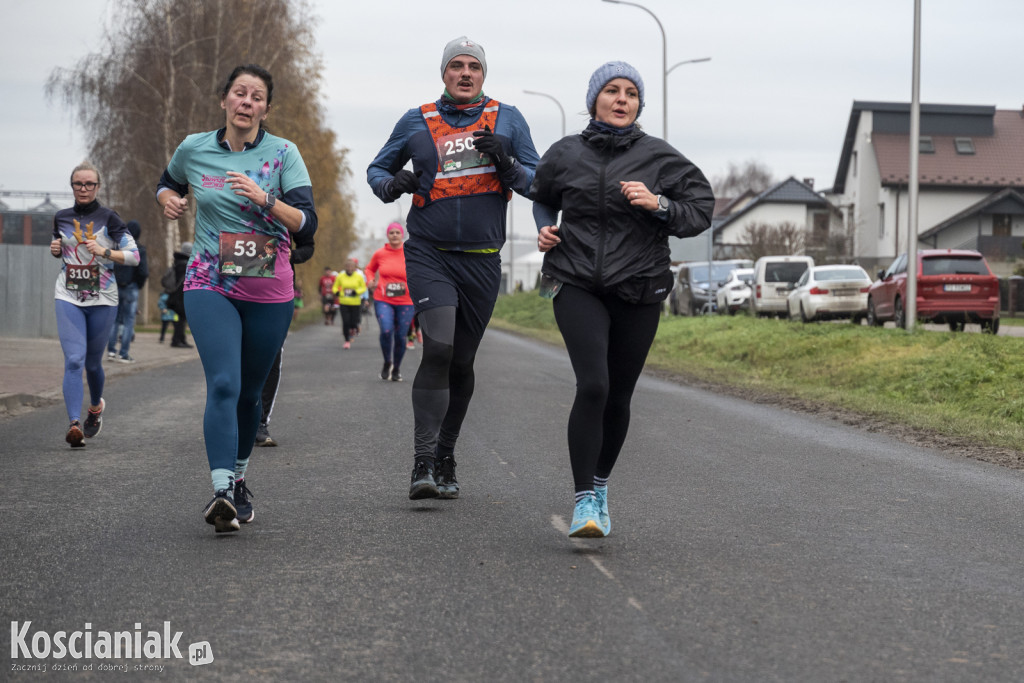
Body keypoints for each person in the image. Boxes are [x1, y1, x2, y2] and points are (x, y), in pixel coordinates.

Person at [531, 62, 714, 537]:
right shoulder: (565, 153)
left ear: (638, 105)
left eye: (631, 93)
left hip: (639, 288)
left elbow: (700, 211)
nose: (621, 99)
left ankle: (601, 483)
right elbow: (542, 195)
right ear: (594, 100)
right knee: (593, 384)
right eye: (611, 91)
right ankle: (584, 503)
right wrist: (545, 228)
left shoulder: (660, 158)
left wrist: (660, 204)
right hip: (574, 282)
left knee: (619, 394)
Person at [368, 36, 540, 500]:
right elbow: (376, 171)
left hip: (483, 260)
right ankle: (422, 462)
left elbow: (539, 181)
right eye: (456, 66)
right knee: (439, 349)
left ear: (484, 75)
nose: (465, 73)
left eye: (474, 67)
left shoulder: (508, 119)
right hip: (429, 253)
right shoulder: (416, 119)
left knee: (462, 361)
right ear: (443, 73)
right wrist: (394, 184)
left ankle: (446, 454)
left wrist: (506, 162)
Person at [156, 64, 317, 533]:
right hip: (210, 281)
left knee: (250, 395)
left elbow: (307, 223)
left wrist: (265, 200)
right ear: (225, 99)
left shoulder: (284, 154)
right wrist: (168, 199)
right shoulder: (194, 148)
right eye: (239, 93)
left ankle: (241, 478)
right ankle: (222, 489)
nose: (247, 102)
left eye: (257, 96)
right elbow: (168, 182)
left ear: (265, 108)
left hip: (269, 289)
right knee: (223, 384)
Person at [50, 161, 140, 447]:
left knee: (92, 363)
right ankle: (74, 424)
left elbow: (134, 256)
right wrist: (55, 249)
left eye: (90, 184)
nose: (84, 188)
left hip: (102, 297)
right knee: (74, 359)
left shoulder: (110, 218)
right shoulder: (61, 217)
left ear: (98, 187)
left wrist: (105, 251)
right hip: (69, 294)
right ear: (72, 186)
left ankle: (95, 408)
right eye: (79, 184)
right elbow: (62, 247)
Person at [255, 228, 315, 448]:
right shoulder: (233, 197)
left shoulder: (287, 203)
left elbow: (308, 244)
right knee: (237, 354)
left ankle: (260, 422)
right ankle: (236, 419)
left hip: (277, 289)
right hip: (234, 284)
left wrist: (293, 255)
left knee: (271, 355)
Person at [365, 222, 415, 382]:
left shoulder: (410, 253)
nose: (394, 235)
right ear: (388, 235)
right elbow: (369, 269)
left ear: (402, 235)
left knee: (401, 336)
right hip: (383, 299)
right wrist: (370, 280)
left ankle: (397, 368)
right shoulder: (380, 253)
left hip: (406, 301)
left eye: (397, 232)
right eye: (391, 232)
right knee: (386, 331)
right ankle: (387, 362)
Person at [106, 220, 148, 363]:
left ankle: (111, 351)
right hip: (131, 286)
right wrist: (138, 284)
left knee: (115, 320)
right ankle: (124, 354)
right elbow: (143, 271)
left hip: (116, 286)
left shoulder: (117, 248)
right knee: (129, 321)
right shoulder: (139, 249)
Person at [332, 258, 367, 349]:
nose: (349, 268)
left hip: (355, 302)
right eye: (348, 266)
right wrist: (338, 292)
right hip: (344, 302)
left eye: (351, 266)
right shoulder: (340, 276)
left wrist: (356, 292)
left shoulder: (358, 276)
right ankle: (347, 340)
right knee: (345, 321)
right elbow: (335, 287)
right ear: (345, 267)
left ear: (354, 267)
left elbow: (363, 288)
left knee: (354, 321)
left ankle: (354, 328)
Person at [166, 242, 192, 348]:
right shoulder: (185, 265)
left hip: (175, 296)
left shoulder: (177, 263)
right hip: (180, 297)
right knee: (180, 319)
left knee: (180, 319)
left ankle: (180, 339)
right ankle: (177, 340)